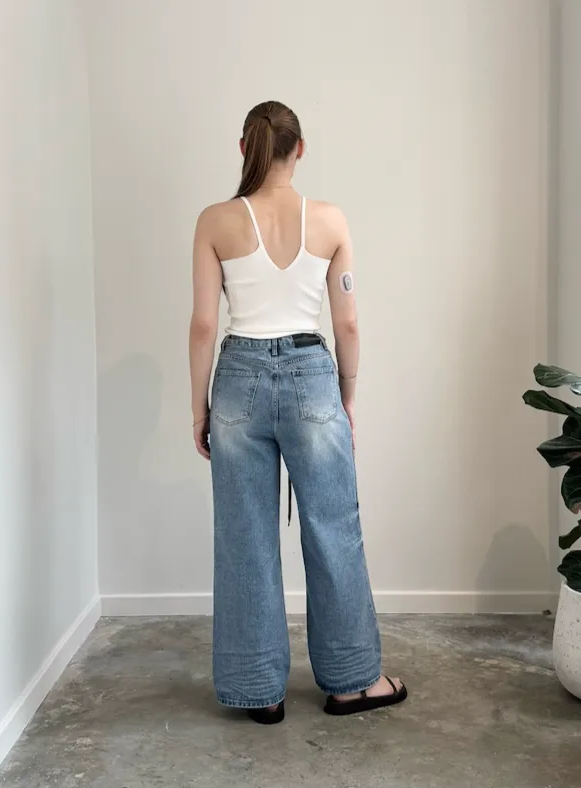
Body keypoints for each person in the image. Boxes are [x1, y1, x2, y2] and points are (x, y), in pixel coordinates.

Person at [189, 100, 407, 724]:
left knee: (244, 537)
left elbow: (206, 323)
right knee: (333, 528)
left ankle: (260, 691)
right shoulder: (330, 220)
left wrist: (197, 406)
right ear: (300, 149)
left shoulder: (215, 221)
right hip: (314, 378)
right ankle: (351, 682)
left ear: (243, 148)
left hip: (236, 382)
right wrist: (347, 394)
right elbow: (349, 321)